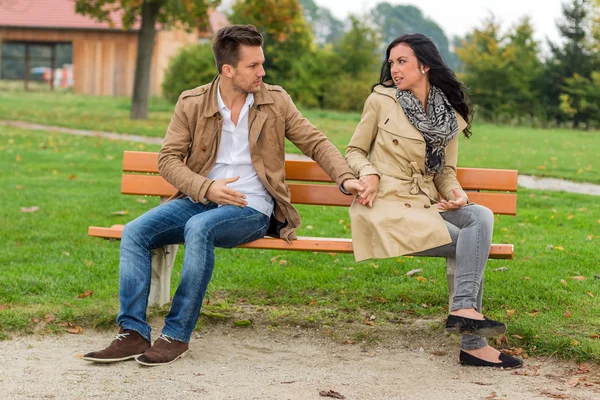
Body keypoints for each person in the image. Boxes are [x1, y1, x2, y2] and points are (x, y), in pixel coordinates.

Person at [84, 24, 362, 367]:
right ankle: (133, 333)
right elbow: (167, 160)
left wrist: (346, 178)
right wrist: (206, 188)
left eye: (262, 63)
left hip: (251, 208)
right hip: (200, 200)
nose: (262, 72)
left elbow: (316, 142)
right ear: (227, 70)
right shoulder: (192, 102)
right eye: (253, 66)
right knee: (136, 232)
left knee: (200, 228)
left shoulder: (276, 101)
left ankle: (176, 334)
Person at [345, 33, 522, 369]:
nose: (394, 69)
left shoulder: (448, 114)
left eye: (403, 61)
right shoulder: (382, 101)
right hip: (385, 204)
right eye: (392, 62)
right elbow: (353, 150)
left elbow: (445, 173)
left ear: (424, 65)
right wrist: (368, 172)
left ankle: (463, 311)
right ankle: (472, 342)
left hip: (425, 203)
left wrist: (457, 196)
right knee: (470, 244)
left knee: (479, 217)